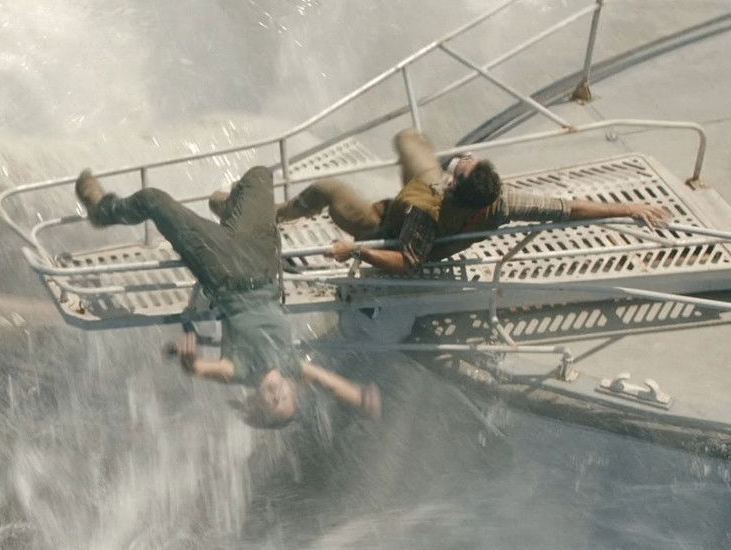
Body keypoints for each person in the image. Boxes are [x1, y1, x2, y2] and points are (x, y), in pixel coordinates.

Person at [75, 166, 380, 428]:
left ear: (256, 402)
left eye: (272, 403)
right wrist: (361, 398)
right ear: (291, 389)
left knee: (153, 199)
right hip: (262, 262)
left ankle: (102, 210)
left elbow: (199, 369)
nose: (278, 395)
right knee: (259, 176)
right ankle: (232, 214)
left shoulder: (239, 371)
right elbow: (330, 382)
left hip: (222, 270)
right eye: (285, 398)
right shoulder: (292, 366)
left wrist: (189, 360)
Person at [276, 128, 673, 274]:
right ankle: (408, 155)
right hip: (414, 198)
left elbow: (408, 263)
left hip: (383, 223)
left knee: (327, 188)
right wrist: (630, 208)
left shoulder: (426, 213)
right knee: (409, 139)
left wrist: (356, 250)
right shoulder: (499, 201)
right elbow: (566, 209)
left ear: (453, 187)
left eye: (462, 167)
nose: (464, 158)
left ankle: (277, 214)